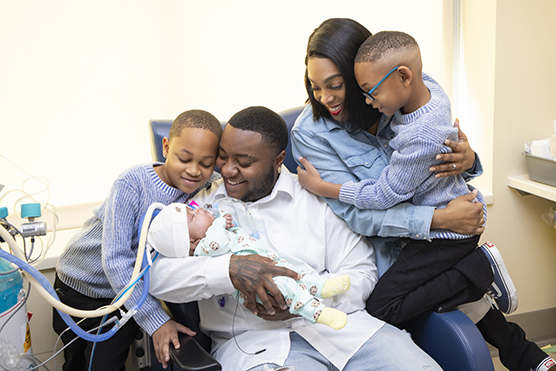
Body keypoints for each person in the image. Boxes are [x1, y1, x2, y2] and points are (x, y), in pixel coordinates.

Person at [291, 17, 555, 371]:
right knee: (466, 303)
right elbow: (356, 212)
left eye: (336, 84)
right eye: (314, 86)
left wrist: (468, 159)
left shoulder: (401, 95)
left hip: (442, 231)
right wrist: (437, 219)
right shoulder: (313, 132)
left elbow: (437, 155)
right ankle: (504, 315)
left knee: (458, 300)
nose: (325, 98)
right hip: (392, 244)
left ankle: (522, 344)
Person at [149, 106, 443, 371]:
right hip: (256, 347)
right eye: (223, 157)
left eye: (244, 162)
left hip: (347, 332)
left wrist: (306, 302)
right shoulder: (201, 209)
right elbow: (158, 278)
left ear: (278, 160)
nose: (228, 170)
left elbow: (361, 272)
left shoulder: (316, 198)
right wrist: (230, 270)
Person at [52, 109, 223, 370]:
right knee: (75, 363)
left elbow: (233, 183)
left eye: (206, 163)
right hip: (79, 288)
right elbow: (116, 262)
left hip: (124, 298)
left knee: (104, 366)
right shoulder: (132, 184)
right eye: (184, 158)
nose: (194, 171)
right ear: (166, 147)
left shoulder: (204, 184)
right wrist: (157, 321)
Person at [147, 201, 351, 330]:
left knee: (297, 275)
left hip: (271, 264)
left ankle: (321, 287)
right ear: (192, 242)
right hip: (258, 315)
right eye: (193, 216)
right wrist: (219, 223)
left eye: (192, 210)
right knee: (286, 288)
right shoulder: (204, 247)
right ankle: (319, 313)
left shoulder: (309, 200)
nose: (199, 209)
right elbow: (218, 243)